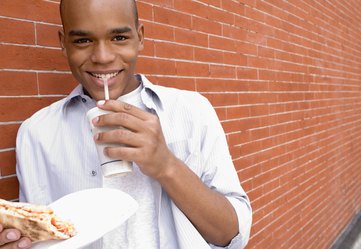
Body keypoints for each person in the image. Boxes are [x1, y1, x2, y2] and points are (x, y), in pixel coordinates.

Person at [0, 0, 252, 248]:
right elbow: (39, 240)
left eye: (119, 38)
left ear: (140, 37)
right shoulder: (36, 133)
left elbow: (232, 235)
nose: (102, 57)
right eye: (82, 40)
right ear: (63, 43)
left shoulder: (192, 112)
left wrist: (166, 165)